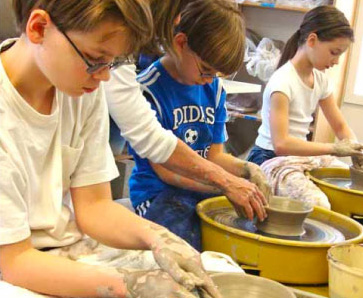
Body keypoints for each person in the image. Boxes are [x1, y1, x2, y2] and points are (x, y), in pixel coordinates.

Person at [0, 0, 225, 298]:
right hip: (14, 265)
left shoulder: (80, 88)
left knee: (216, 273)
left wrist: (158, 238)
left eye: (113, 63)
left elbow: (94, 206)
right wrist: (126, 284)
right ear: (38, 28)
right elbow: (14, 261)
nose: (104, 76)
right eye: (96, 61)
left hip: (63, 248)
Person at [104, 0, 268, 222]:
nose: (209, 80)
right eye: (206, 70)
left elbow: (215, 156)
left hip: (201, 188)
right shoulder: (149, 88)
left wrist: (248, 170)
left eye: (216, 74)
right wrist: (222, 186)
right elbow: (165, 170)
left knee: (244, 229)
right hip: (159, 194)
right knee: (191, 239)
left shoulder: (214, 89)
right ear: (181, 43)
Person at [247, 5, 363, 172]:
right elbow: (281, 144)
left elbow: (340, 127)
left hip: (298, 156)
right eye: (334, 52)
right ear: (312, 40)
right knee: (317, 199)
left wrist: (357, 152)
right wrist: (334, 149)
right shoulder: (282, 82)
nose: (336, 61)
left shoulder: (320, 79)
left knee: (347, 174)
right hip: (269, 156)